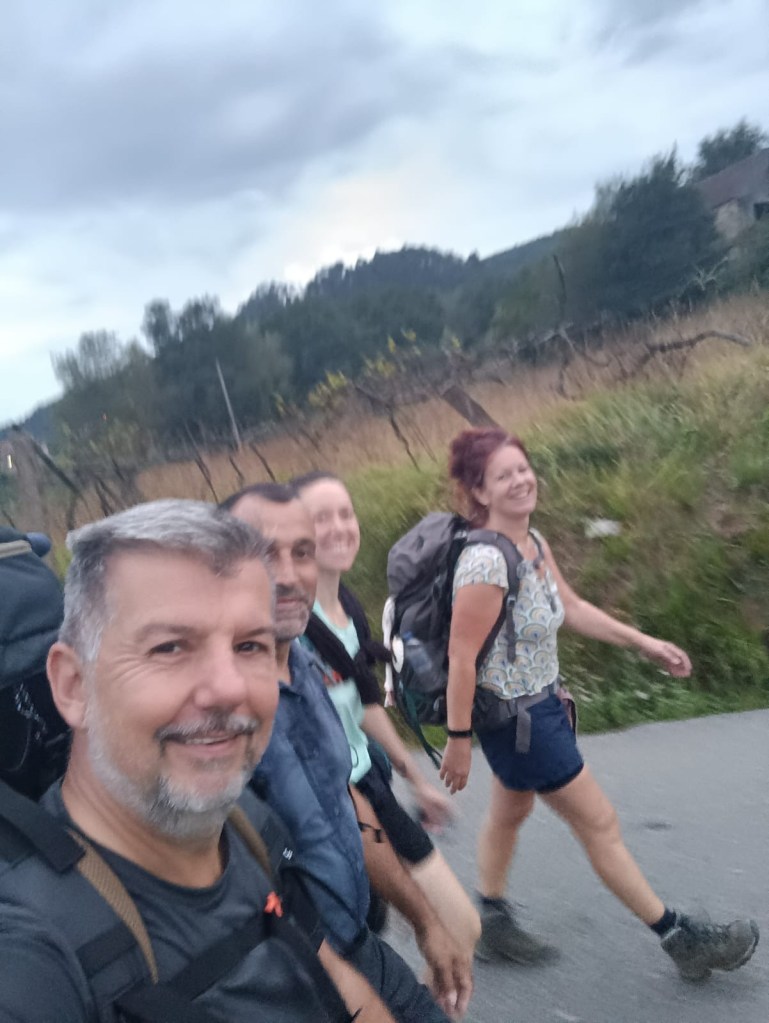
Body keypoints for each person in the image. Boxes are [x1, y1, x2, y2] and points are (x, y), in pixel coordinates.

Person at [0, 499, 395, 1022]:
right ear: (73, 686)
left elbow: (326, 974)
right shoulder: (33, 955)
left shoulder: (244, 820)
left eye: (250, 646)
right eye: (169, 648)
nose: (229, 688)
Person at [439, 427, 759, 982]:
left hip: (536, 708)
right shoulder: (484, 564)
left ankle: (491, 917)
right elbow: (461, 657)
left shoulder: (533, 544)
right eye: (502, 475)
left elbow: (572, 607)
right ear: (480, 491)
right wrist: (458, 739)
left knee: (511, 812)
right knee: (599, 823)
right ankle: (680, 938)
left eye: (523, 468)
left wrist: (645, 643)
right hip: (519, 722)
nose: (520, 480)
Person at [222, 483, 472, 1022]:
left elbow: (343, 804)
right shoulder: (217, 710)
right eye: (263, 553)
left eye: (302, 552)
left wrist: (424, 920)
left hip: (358, 941)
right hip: (296, 979)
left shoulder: (305, 668)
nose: (288, 574)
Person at [292, 470, 480, 962]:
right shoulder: (290, 629)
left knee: (455, 930)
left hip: (369, 782)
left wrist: (417, 781)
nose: (339, 527)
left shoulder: (347, 607)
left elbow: (366, 703)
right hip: (331, 801)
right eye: (321, 518)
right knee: (382, 935)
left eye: (345, 513)